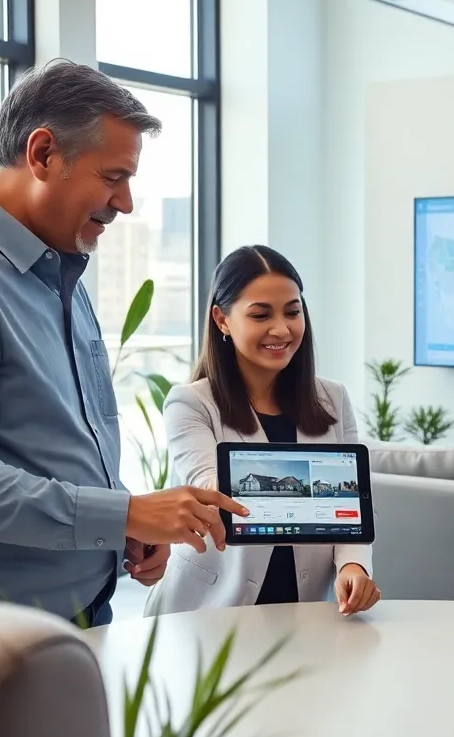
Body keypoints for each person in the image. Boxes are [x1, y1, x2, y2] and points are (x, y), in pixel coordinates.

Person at [0, 59, 248, 627]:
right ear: (42, 154)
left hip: (77, 622)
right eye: (113, 177)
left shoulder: (62, 272)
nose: (125, 204)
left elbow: (55, 444)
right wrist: (121, 513)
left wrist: (126, 530)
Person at [144, 245, 380, 616]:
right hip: (205, 612)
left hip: (304, 612)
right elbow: (215, 491)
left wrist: (353, 564)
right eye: (260, 315)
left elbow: (353, 503)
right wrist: (316, 495)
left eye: (293, 311)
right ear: (221, 320)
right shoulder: (190, 403)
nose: (281, 329)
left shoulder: (333, 399)